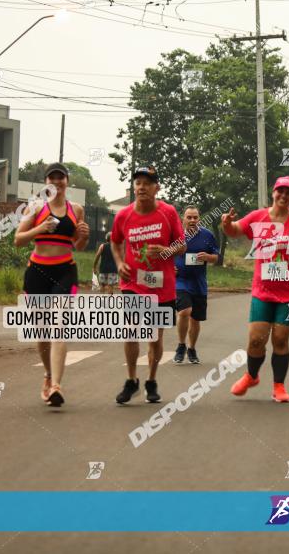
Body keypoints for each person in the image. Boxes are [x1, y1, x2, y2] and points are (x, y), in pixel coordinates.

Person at [222, 176, 289, 403]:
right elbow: (235, 230)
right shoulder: (258, 217)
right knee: (256, 340)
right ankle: (251, 376)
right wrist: (226, 223)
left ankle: (279, 386)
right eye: (280, 191)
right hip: (262, 290)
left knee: (281, 340)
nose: (283, 196)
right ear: (273, 193)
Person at [13, 162, 89, 407]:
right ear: (46, 182)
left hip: (65, 271)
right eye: (52, 178)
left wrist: (84, 237)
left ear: (67, 181)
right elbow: (18, 240)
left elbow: (78, 246)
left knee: (59, 325)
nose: (56, 182)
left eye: (61, 178)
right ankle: (47, 375)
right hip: (37, 272)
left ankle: (56, 385)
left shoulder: (76, 209)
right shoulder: (35, 208)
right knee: (43, 330)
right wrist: (39, 228)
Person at [110, 166, 185, 404]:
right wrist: (120, 262)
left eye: (147, 183)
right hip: (133, 283)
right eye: (138, 183)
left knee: (154, 336)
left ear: (157, 188)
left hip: (162, 286)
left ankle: (151, 380)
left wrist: (166, 250)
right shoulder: (123, 215)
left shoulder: (168, 212)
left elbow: (181, 245)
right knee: (131, 329)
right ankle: (132, 380)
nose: (141, 187)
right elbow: (115, 242)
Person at [173, 206, 220, 365]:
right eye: (189, 217)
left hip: (199, 283)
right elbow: (165, 254)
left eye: (195, 217)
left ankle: (191, 349)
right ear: (183, 219)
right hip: (180, 280)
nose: (192, 220)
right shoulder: (176, 235)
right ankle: (181, 345)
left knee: (195, 319)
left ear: (199, 219)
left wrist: (208, 257)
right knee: (185, 311)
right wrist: (169, 267)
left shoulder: (207, 235)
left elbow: (216, 257)